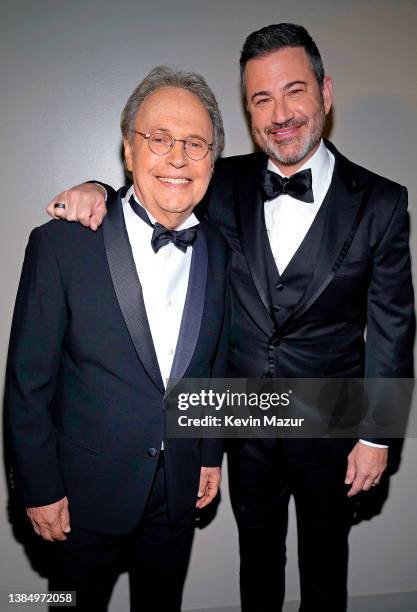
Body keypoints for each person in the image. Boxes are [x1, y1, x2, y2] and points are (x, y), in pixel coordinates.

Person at [44, 23, 414, 612]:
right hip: (239, 416)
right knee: (257, 561)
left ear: (325, 92)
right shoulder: (222, 178)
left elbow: (395, 324)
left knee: (326, 564)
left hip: (335, 421)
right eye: (261, 99)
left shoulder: (382, 201)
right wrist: (95, 188)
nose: (281, 114)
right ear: (247, 110)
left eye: (294, 91)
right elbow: (156, 187)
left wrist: (376, 435)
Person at [6, 65, 230, 612]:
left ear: (212, 160)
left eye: (195, 143)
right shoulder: (61, 246)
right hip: (80, 497)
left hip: (175, 492)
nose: (178, 157)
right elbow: (28, 381)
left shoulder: (220, 251)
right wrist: (38, 488)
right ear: (129, 151)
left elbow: (214, 361)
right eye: (159, 139)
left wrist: (208, 453)